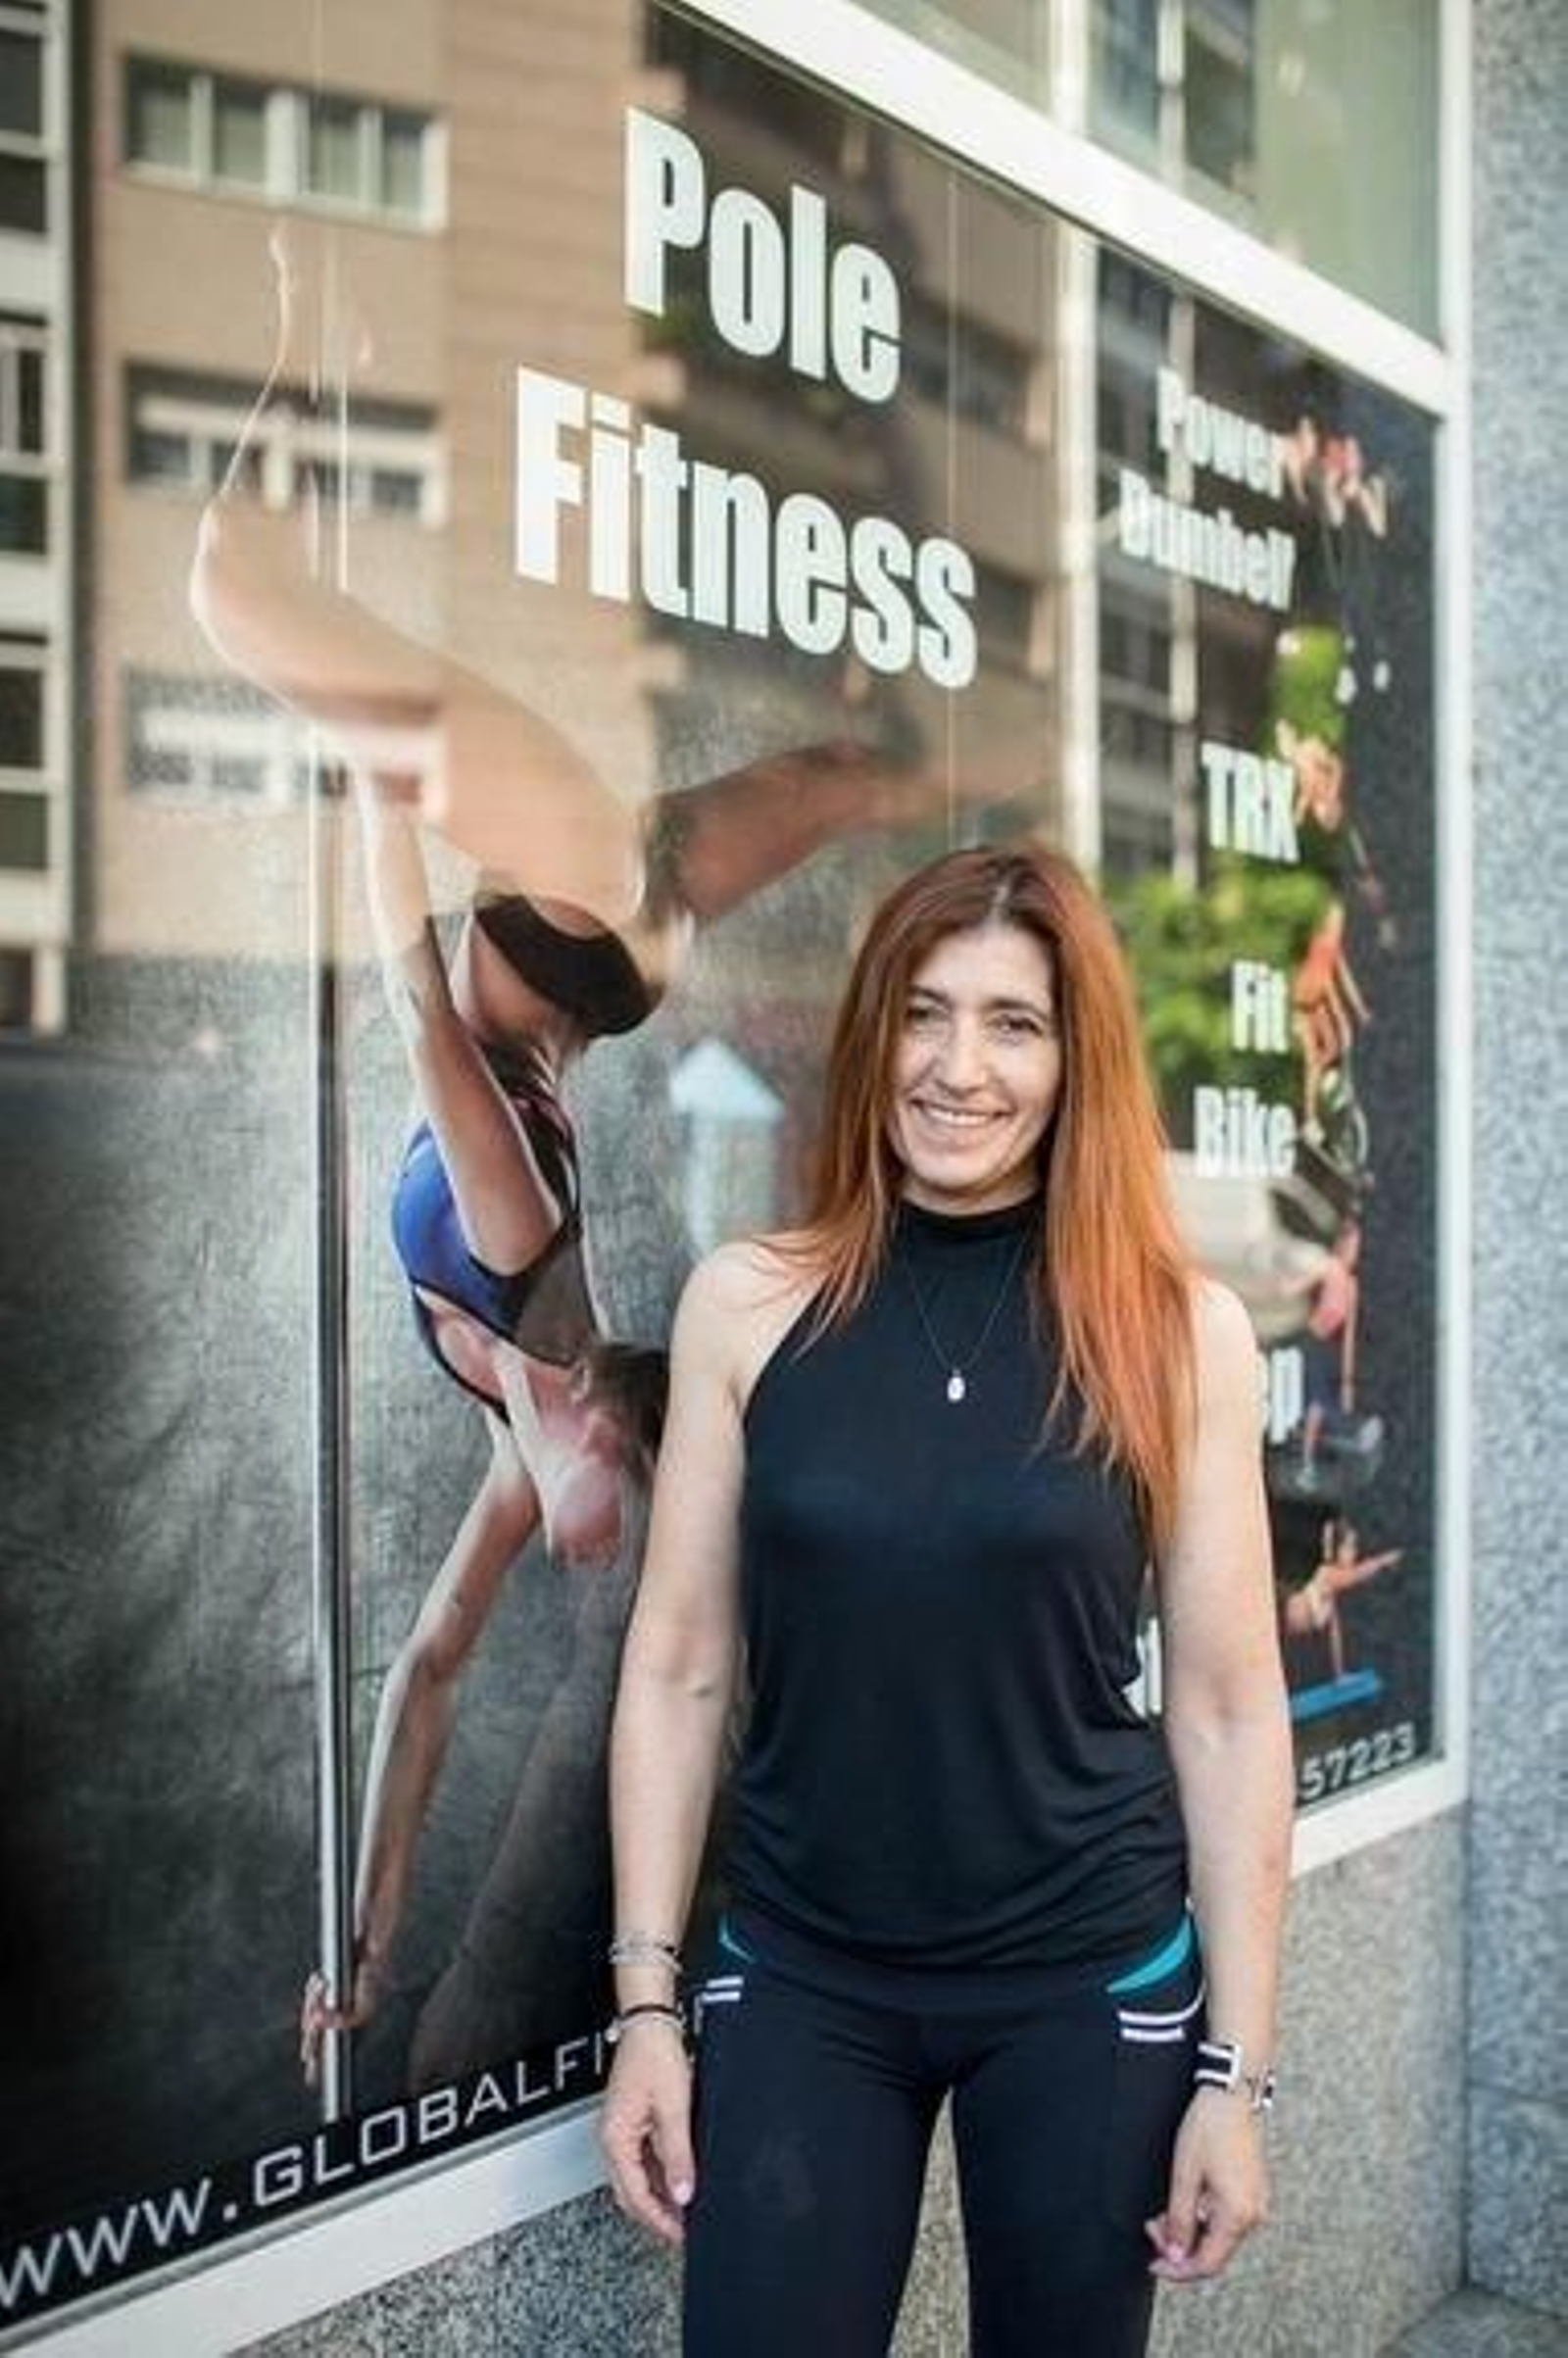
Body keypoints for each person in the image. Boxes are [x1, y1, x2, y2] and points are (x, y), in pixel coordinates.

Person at [190, 228, 993, 2088]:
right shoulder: (529, 1259)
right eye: (625, 1523)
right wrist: (375, 797)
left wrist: (366, 1935)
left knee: (784, 807)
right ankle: (315, 329)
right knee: (241, 597)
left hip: (596, 944)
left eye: (604, 1551)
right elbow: (404, 1006)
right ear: (613, 1432)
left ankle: (904, 757)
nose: (598, 1560)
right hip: (563, 907)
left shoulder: (505, 1449)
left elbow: (427, 1678)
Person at [602, 843, 1294, 2356]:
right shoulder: (750, 1301)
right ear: (874, 1034)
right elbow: (676, 1673)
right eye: (925, 1013)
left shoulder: (1180, 1334)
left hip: (1088, 1984)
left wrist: (1234, 2080)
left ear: (1075, 1060)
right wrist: (647, 2003)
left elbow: (1233, 1711)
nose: (958, 1066)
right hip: (802, 1972)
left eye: (1013, 1022)